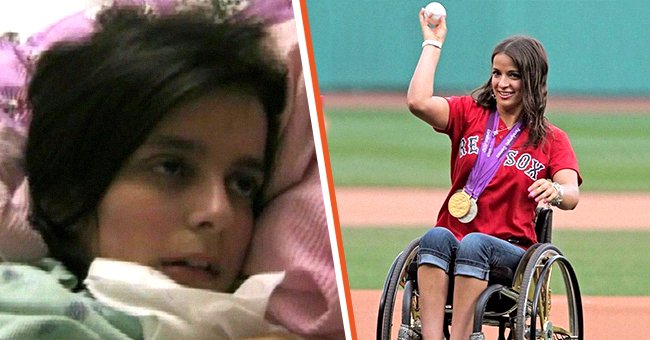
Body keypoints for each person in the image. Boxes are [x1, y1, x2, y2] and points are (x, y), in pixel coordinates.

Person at [0, 6, 300, 339]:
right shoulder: (25, 307)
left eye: (243, 185)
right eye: (172, 168)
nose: (220, 212)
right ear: (66, 193)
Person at [406, 9, 582, 340]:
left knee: (475, 245)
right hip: (455, 237)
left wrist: (556, 190)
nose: (502, 83)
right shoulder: (468, 114)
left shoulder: (551, 138)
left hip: (510, 251)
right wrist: (433, 41)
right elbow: (417, 101)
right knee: (434, 237)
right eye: (496, 73)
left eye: (513, 75)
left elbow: (571, 194)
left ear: (531, 80)